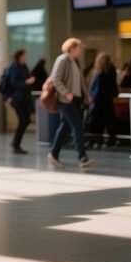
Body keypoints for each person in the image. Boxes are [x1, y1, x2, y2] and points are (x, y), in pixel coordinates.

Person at [48, 37, 96, 170]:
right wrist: (66, 93)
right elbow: (56, 79)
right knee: (77, 125)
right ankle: (82, 157)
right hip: (65, 100)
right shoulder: (62, 60)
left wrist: (86, 95)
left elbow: (80, 81)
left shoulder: (75, 61)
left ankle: (53, 154)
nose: (80, 50)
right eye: (78, 48)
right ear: (72, 48)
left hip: (74, 99)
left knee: (65, 127)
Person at [85, 52, 118, 149]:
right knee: (109, 122)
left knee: (96, 123)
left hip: (98, 102)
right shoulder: (111, 71)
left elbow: (96, 89)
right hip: (108, 101)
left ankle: (95, 140)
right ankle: (111, 141)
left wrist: (91, 98)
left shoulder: (98, 73)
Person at [7, 49, 35, 154]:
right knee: (24, 120)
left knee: (25, 120)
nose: (25, 57)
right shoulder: (15, 66)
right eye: (24, 56)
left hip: (24, 98)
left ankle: (16, 142)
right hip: (18, 98)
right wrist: (27, 81)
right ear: (19, 56)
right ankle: (16, 144)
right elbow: (14, 82)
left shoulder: (23, 66)